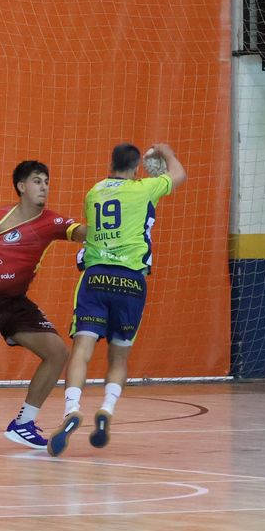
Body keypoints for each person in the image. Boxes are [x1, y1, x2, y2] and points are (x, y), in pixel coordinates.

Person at [48, 142, 186, 457]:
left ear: (110, 163)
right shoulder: (145, 189)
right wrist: (167, 152)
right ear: (137, 167)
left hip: (96, 278)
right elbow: (179, 175)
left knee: (81, 351)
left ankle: (72, 409)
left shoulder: (94, 192)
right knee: (118, 358)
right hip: (130, 282)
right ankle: (106, 410)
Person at [0, 161, 87, 448]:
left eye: (46, 182)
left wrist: (111, 224)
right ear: (22, 187)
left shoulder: (50, 222)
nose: (44, 187)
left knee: (58, 353)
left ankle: (23, 423)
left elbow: (80, 232)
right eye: (37, 181)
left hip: (15, 302)